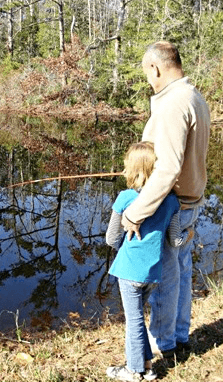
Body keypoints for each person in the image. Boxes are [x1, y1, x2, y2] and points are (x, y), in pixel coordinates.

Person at [121, 41, 210, 357]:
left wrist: (135, 212)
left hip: (171, 209)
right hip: (189, 205)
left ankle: (165, 344)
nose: (148, 80)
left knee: (165, 282)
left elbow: (169, 168)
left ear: (154, 68)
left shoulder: (173, 104)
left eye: (147, 73)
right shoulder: (194, 97)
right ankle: (178, 335)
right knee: (182, 276)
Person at [106, 141, 184, 382]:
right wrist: (189, 235)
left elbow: (111, 238)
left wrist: (125, 245)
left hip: (129, 271)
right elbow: (175, 241)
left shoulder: (125, 198)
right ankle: (148, 367)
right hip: (153, 272)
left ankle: (133, 370)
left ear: (131, 168)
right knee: (138, 317)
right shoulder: (171, 201)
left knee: (134, 321)